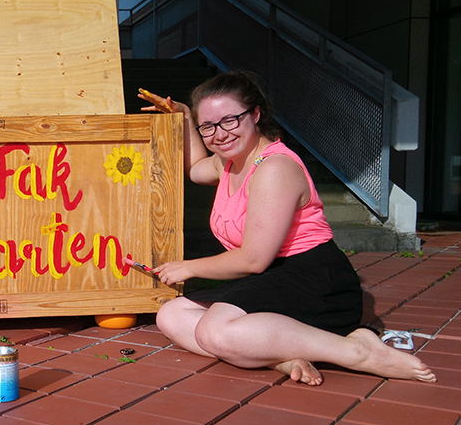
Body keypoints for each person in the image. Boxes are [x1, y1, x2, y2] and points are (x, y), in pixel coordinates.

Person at [139, 72, 434, 385]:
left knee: (215, 332)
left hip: (315, 281)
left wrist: (188, 267)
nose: (220, 134)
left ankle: (357, 351)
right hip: (272, 279)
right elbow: (195, 168)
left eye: (229, 120)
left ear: (255, 114)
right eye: (208, 126)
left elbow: (253, 260)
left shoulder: (274, 168)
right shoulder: (229, 161)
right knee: (172, 314)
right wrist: (186, 116)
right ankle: (280, 357)